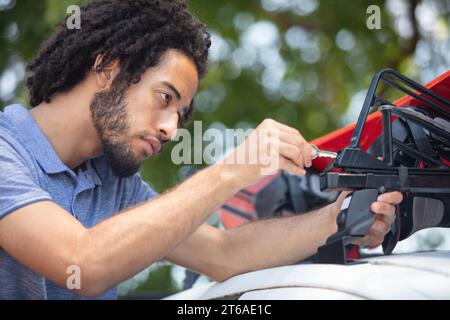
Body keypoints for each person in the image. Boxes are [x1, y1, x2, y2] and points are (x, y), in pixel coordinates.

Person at [0, 0, 402, 299]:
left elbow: (224, 254)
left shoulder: (114, 182)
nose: (172, 129)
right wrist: (234, 169)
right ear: (107, 68)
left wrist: (340, 216)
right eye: (164, 97)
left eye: (181, 113)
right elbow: (81, 263)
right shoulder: (6, 151)